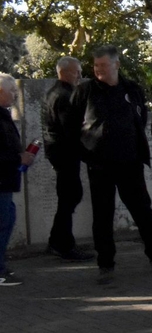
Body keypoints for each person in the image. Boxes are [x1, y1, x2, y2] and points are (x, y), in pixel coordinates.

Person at [69, 45, 152, 284]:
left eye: (103, 65)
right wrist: (85, 151)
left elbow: (141, 117)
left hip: (130, 162)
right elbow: (71, 124)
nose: (99, 70)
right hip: (99, 164)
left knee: (142, 210)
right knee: (102, 216)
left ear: (117, 65)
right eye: (96, 66)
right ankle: (106, 265)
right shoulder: (85, 91)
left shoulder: (132, 89)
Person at [41, 56, 92, 261]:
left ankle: (57, 240)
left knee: (69, 197)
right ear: (64, 72)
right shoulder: (64, 96)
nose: (80, 75)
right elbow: (70, 129)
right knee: (69, 197)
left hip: (60, 152)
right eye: (76, 71)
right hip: (65, 153)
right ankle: (63, 244)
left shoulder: (55, 92)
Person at [0, 74, 35, 287]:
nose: (15, 95)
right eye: (12, 90)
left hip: (6, 181)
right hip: (1, 182)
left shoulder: (4, 115)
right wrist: (17, 158)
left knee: (7, 221)